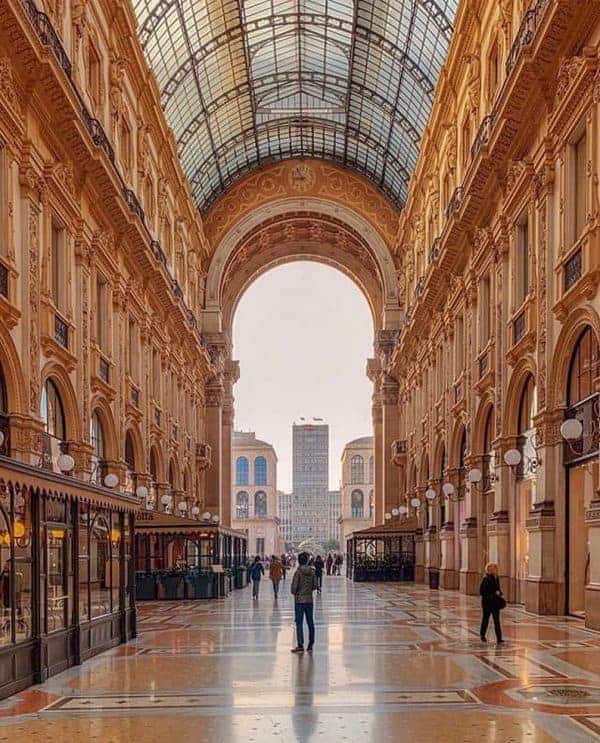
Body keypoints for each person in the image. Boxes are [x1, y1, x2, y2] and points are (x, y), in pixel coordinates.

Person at [291, 551, 317, 654]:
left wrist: (297, 592)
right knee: (310, 622)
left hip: (299, 601)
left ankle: (300, 645)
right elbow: (315, 586)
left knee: (299, 623)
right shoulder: (312, 572)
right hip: (309, 600)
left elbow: (293, 588)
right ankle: (311, 644)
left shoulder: (298, 572)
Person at [479, 562, 504, 643]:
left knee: (497, 620)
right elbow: (482, 591)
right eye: (495, 568)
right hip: (487, 603)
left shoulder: (496, 578)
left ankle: (499, 638)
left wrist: (500, 593)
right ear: (490, 570)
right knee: (485, 619)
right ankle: (482, 635)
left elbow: (498, 589)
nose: (497, 570)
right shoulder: (486, 579)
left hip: (495, 603)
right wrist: (493, 594)